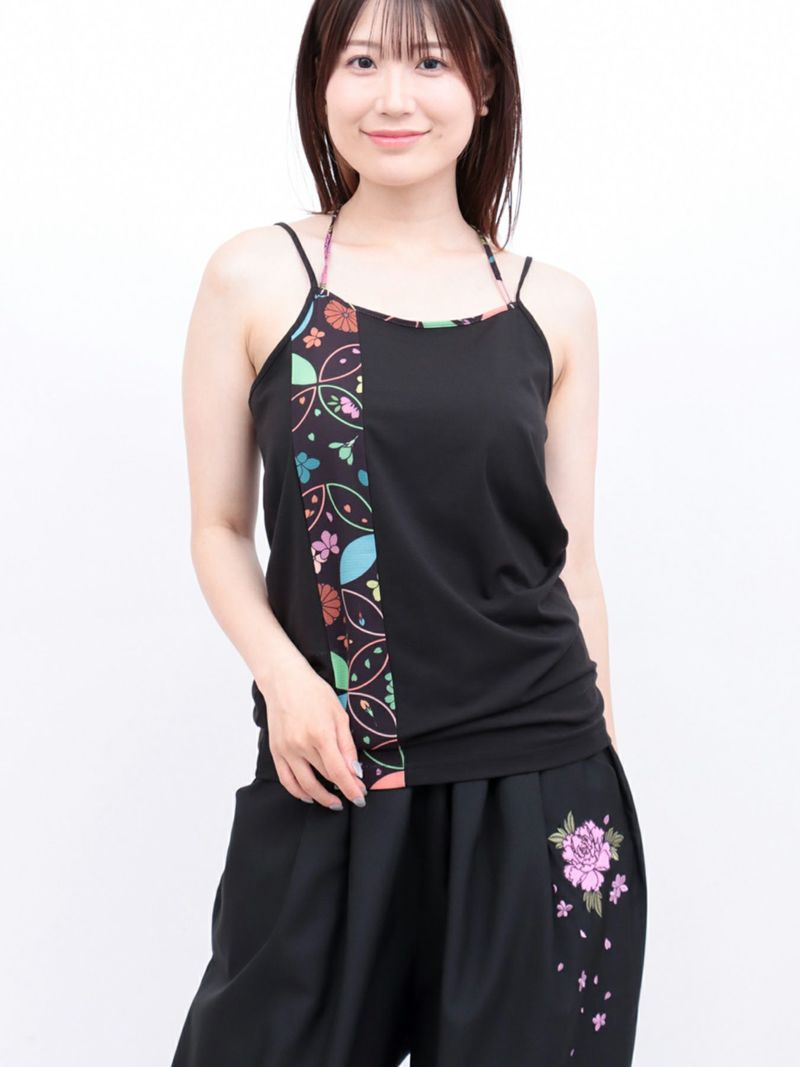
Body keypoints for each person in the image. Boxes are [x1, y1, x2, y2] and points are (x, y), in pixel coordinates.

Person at [170, 0, 648, 1064]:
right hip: (334, 769)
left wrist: (601, 760)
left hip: (539, 774)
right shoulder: (258, 277)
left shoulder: (549, 304)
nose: (394, 97)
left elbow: (570, 557)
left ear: (484, 85)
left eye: (430, 62)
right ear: (320, 81)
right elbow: (216, 525)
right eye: (361, 61)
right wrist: (287, 682)